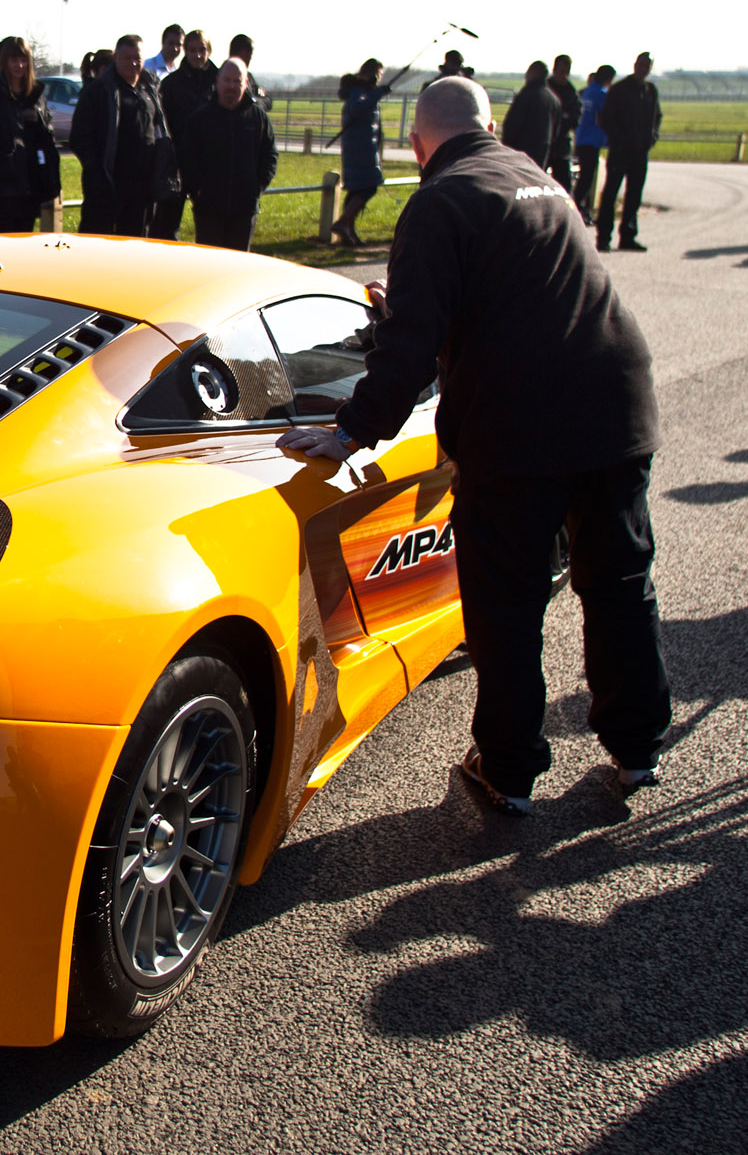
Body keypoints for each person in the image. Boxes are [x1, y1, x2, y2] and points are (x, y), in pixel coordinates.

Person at [276, 76, 666, 815]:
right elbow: (526, 293)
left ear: (418, 144)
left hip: (522, 427)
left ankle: (510, 770)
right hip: (618, 403)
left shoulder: (440, 199)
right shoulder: (538, 178)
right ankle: (639, 748)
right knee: (618, 582)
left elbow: (413, 346)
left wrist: (352, 430)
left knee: (507, 603)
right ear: (489, 126)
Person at [70, 34, 169, 237]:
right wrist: (96, 172)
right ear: (116, 58)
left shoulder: (150, 90)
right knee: (97, 248)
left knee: (134, 251)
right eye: (127, 58)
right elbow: (80, 138)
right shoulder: (98, 91)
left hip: (142, 189)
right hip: (107, 186)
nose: (133, 63)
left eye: (138, 58)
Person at [177, 59, 278, 251]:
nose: (231, 86)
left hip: (244, 208)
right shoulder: (200, 118)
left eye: (237, 81)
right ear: (217, 81)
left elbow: (270, 154)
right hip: (209, 209)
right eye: (227, 80)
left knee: (238, 267)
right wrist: (198, 189)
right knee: (210, 265)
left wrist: (259, 185)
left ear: (246, 83)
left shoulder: (258, 118)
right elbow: (187, 157)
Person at [0, 36, 59, 232]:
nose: (19, 65)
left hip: (31, 182)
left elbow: (46, 136)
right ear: (4, 62)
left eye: (23, 60)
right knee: (4, 240)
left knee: (26, 240)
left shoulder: (36, 95)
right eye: (13, 60)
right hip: (2, 187)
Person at [154, 29, 218, 241]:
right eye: (192, 50)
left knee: (209, 225)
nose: (197, 55)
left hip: (208, 164)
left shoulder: (220, 81)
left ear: (209, 50)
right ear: (185, 52)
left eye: (202, 50)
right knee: (167, 225)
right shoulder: (171, 84)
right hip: (178, 162)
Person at [596, 52, 661, 252]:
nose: (643, 68)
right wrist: (621, 140)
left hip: (641, 152)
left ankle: (628, 236)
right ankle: (603, 237)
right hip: (621, 151)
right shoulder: (620, 90)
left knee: (634, 195)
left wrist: (652, 137)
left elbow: (656, 116)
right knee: (611, 194)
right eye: (641, 64)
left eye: (647, 66)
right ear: (635, 65)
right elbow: (606, 118)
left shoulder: (650, 90)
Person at [333, 58, 387, 248]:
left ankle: (348, 231)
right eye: (379, 74)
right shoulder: (359, 92)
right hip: (361, 148)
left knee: (357, 190)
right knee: (368, 187)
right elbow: (358, 110)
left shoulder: (360, 91)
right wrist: (377, 94)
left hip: (361, 146)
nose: (379, 79)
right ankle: (343, 222)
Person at [573, 64, 615, 221]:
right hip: (593, 138)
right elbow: (604, 116)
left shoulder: (588, 91)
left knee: (583, 176)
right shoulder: (602, 94)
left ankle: (580, 206)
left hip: (582, 136)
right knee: (587, 178)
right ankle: (580, 208)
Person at [499, 61, 555, 166]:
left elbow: (512, 125)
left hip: (521, 152)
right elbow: (555, 130)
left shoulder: (527, 95)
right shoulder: (553, 99)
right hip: (542, 153)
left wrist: (505, 146)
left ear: (534, 73)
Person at [545, 55, 578, 192]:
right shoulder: (545, 88)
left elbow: (575, 117)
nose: (564, 74)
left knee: (564, 184)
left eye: (567, 71)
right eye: (561, 70)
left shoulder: (571, 91)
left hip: (562, 144)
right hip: (544, 142)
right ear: (554, 69)